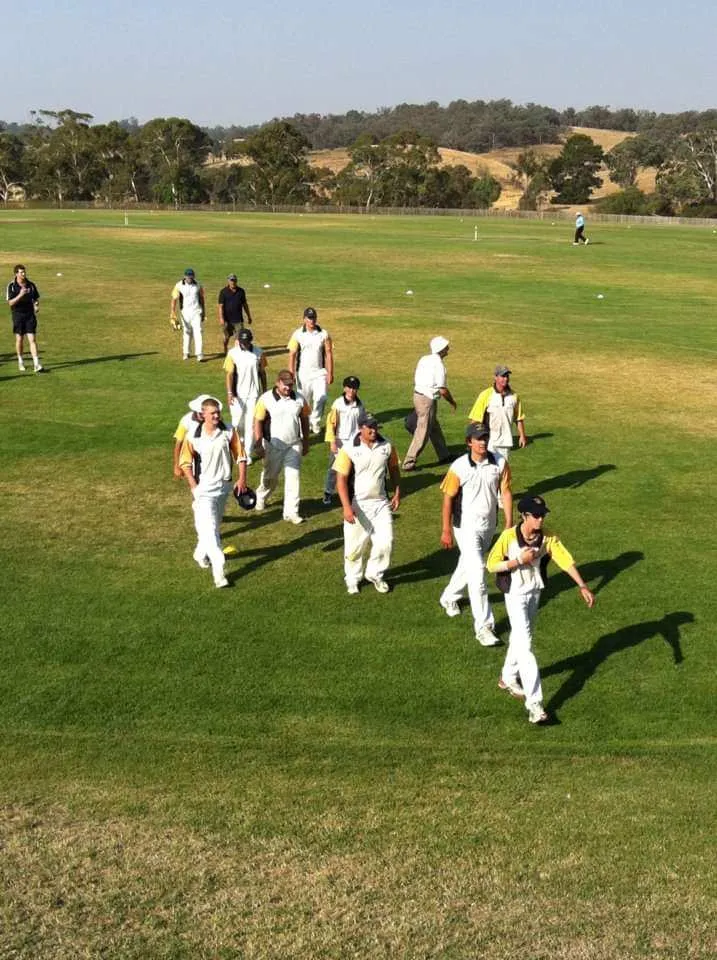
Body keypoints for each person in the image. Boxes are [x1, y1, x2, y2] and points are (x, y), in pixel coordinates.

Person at [487, 494, 595, 724]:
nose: (540, 520)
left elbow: (565, 560)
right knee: (526, 646)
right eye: (536, 516)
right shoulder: (508, 538)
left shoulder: (547, 538)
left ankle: (507, 677)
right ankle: (535, 704)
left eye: (542, 515)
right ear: (524, 516)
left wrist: (582, 586)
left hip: (535, 592)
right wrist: (517, 561)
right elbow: (491, 564)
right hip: (515, 594)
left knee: (521, 635)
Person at [439, 423, 513, 646]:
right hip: (465, 527)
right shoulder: (459, 467)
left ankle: (449, 597)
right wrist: (445, 530)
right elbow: (448, 500)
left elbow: (506, 491)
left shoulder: (500, 462)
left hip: (489, 525)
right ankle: (484, 626)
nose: (482, 441)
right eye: (478, 438)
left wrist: (509, 523)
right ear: (468, 442)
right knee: (479, 572)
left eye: (485, 437)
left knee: (468, 566)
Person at [178, 397, 248, 588]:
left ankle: (200, 554)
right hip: (204, 491)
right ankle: (219, 574)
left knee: (213, 528)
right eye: (212, 413)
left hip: (223, 488)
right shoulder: (193, 435)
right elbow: (185, 463)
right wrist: (194, 486)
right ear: (203, 415)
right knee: (211, 532)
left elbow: (240, 456)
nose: (217, 415)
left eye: (218, 412)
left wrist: (242, 479)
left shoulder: (228, 431)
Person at [334, 412, 401, 595]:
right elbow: (341, 480)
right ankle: (352, 578)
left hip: (380, 503)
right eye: (369, 427)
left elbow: (394, 469)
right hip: (358, 504)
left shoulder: (387, 445)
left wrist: (396, 492)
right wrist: (346, 507)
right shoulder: (348, 449)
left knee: (386, 541)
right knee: (355, 546)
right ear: (360, 428)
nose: (373, 430)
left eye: (375, 426)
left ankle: (375, 574)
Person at [253, 369, 310, 524]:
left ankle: (291, 512)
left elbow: (304, 419)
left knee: (293, 477)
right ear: (277, 382)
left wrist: (305, 442)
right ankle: (261, 495)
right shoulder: (265, 399)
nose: (287, 388)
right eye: (285, 385)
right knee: (270, 477)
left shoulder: (299, 399)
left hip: (293, 445)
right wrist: (258, 443)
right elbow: (258, 421)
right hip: (273, 445)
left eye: (290, 385)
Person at [402, 336, 456, 471]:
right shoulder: (439, 365)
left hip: (418, 395)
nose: (448, 349)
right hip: (427, 399)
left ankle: (444, 455)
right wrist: (452, 402)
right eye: (446, 347)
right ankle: (409, 462)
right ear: (441, 349)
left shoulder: (424, 359)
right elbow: (442, 390)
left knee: (434, 427)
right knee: (423, 430)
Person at [287, 307, 334, 435]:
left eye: (313, 317)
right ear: (304, 319)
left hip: (319, 372)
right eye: (309, 318)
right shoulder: (297, 334)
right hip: (303, 374)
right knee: (304, 402)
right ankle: (305, 424)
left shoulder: (323, 333)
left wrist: (330, 372)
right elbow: (292, 355)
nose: (311, 320)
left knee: (322, 398)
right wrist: (291, 375)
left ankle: (315, 421)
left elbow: (328, 354)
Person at [224, 327, 267, 460]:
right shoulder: (232, 354)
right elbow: (229, 375)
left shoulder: (259, 353)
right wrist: (230, 392)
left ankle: (247, 454)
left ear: (250, 340)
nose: (245, 344)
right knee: (237, 423)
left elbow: (262, 373)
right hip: (237, 395)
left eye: (247, 341)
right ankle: (239, 445)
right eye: (242, 341)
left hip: (253, 394)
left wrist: (264, 391)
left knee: (250, 425)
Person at [468, 366, 527, 462]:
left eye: (507, 376)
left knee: (502, 471)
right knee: (486, 470)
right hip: (488, 441)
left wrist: (522, 436)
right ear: (495, 377)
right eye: (503, 376)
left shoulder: (514, 396)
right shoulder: (485, 395)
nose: (506, 379)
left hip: (505, 441)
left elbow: (519, 418)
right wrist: (474, 440)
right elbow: (475, 420)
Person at [322, 375, 364, 506]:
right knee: (334, 469)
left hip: (354, 442)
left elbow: (362, 423)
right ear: (345, 388)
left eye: (355, 388)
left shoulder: (360, 405)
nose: (352, 391)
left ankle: (352, 493)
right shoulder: (338, 404)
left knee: (354, 468)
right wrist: (332, 442)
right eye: (350, 388)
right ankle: (328, 493)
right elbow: (331, 424)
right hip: (340, 442)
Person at [6, 264, 43, 372]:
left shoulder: (31, 285)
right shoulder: (11, 286)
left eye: (24, 272)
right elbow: (10, 303)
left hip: (30, 315)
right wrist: (20, 295)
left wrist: (36, 305)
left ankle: (36, 364)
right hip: (18, 315)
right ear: (16, 273)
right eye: (21, 272)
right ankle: (20, 361)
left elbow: (35, 298)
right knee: (20, 339)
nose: (24, 274)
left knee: (32, 339)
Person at [173, 393, 214, 478]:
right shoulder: (186, 421)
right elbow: (178, 444)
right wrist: (177, 465)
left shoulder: (213, 419)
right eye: (200, 413)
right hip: (193, 454)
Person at [170, 268, 206, 362]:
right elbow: (174, 299)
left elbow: (202, 299)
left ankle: (199, 354)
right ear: (184, 276)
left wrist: (204, 312)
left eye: (191, 276)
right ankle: (186, 352)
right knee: (187, 332)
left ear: (193, 276)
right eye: (188, 276)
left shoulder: (198, 285)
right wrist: (172, 312)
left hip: (196, 312)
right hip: (185, 313)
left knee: (198, 332)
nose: (189, 277)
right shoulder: (178, 285)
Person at [217, 273, 253, 355]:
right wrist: (221, 318)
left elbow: (245, 305)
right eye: (231, 280)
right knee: (226, 337)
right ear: (228, 281)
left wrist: (249, 316)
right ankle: (225, 347)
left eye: (234, 280)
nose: (233, 282)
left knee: (238, 338)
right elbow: (220, 306)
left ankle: (237, 353)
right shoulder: (223, 292)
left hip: (238, 320)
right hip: (227, 320)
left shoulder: (241, 291)